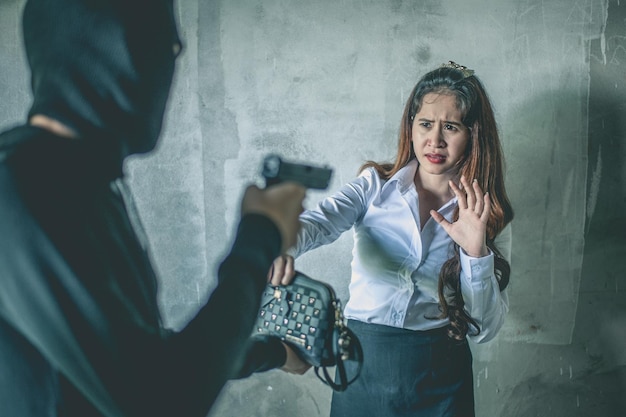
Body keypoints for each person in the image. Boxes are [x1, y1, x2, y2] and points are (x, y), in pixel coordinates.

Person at [0, 0, 306, 416]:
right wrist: (260, 235)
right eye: (166, 52)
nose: (169, 76)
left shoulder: (82, 184)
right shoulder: (25, 190)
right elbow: (159, 401)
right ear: (118, 52)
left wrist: (273, 353)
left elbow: (140, 354)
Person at [269, 61, 514, 417]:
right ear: (410, 127)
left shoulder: (485, 213)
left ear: (473, 134)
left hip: (442, 380)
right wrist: (278, 245)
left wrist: (475, 252)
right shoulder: (374, 187)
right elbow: (319, 222)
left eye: (451, 127)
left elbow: (486, 330)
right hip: (361, 367)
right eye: (426, 124)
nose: (435, 140)